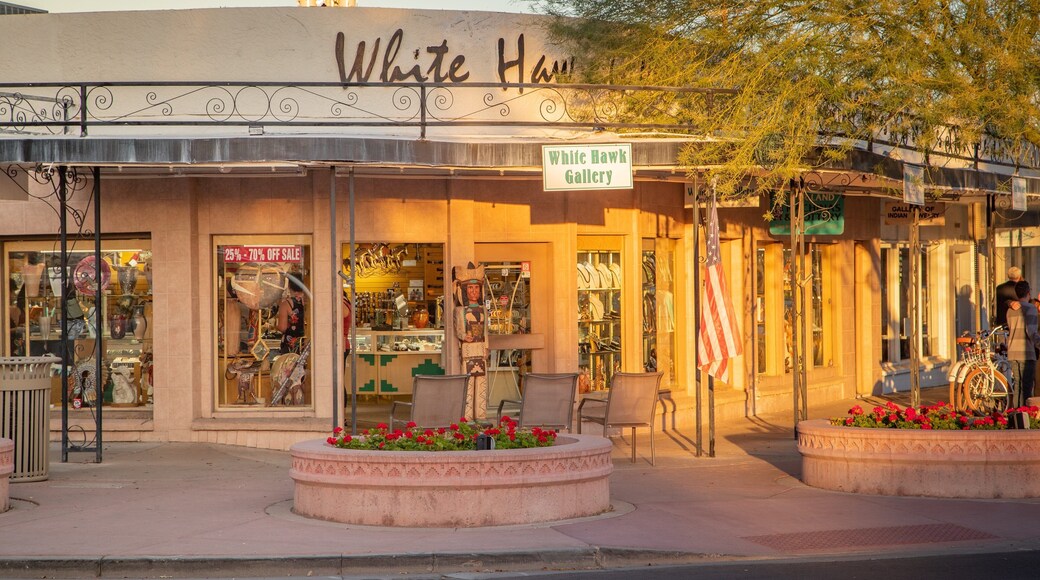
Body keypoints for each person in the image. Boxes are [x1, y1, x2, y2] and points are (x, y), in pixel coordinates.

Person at [1005, 280, 1039, 407]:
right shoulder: (1031, 309)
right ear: (1028, 293)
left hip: (1013, 351)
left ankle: (1016, 415)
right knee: (1027, 387)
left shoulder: (1010, 310)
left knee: (1018, 386)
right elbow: (1031, 332)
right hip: (1027, 353)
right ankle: (1026, 417)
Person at [277, 277, 307, 354]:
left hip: (291, 344)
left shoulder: (286, 304)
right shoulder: (308, 302)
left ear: (289, 286)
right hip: (307, 343)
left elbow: (282, 327)